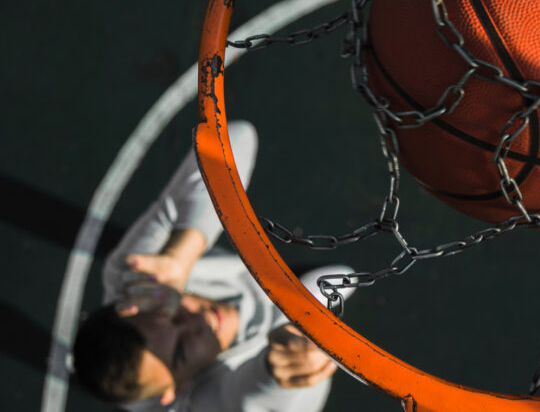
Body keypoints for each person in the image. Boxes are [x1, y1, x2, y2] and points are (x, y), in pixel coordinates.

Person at [73, 121, 350, 411]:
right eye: (180, 351)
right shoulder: (200, 404)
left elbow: (234, 137)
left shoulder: (137, 276)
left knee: (337, 278)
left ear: (131, 305)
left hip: (254, 288)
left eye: (167, 314)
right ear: (176, 389)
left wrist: (180, 255)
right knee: (338, 279)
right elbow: (251, 399)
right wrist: (278, 374)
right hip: (274, 328)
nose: (193, 323)